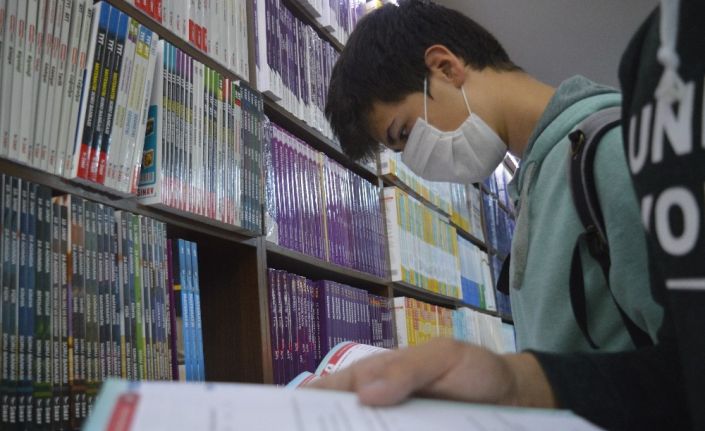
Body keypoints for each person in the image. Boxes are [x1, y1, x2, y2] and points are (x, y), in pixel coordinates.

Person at [312, 1, 705, 429]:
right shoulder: (537, 182)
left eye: (404, 132)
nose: (417, 160)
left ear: (445, 67)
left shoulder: (610, 154)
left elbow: (687, 368)